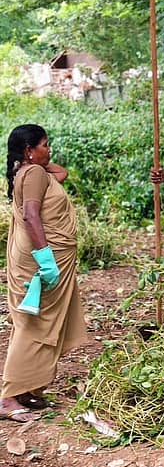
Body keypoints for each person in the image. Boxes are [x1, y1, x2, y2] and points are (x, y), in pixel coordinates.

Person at [2, 124, 87, 422]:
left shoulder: (30, 172)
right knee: (33, 324)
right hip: (41, 260)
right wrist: (46, 260)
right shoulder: (34, 173)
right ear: (29, 150)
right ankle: (9, 397)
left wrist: (31, 158)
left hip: (38, 257)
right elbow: (31, 215)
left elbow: (60, 173)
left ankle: (26, 390)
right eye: (44, 145)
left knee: (37, 321)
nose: (49, 150)